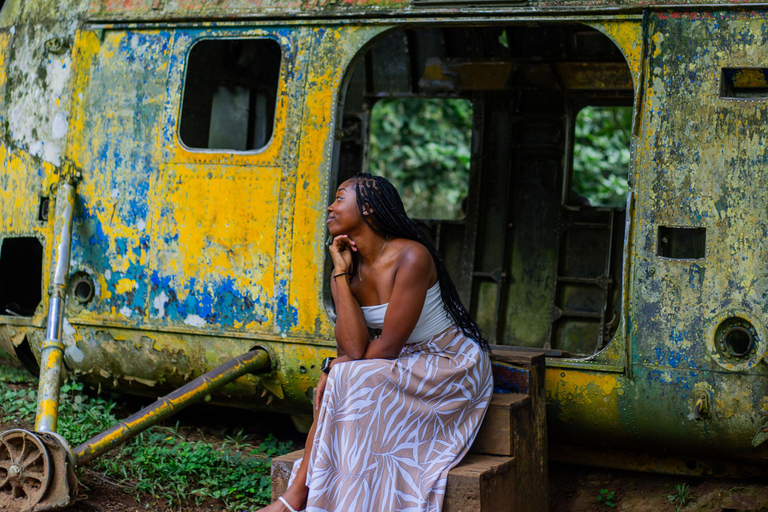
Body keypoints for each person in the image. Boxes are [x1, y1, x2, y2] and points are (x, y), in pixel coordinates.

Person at [259, 173, 493, 512]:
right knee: (342, 377)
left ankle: (296, 496)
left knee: (342, 378)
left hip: (449, 362)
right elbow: (352, 350)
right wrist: (339, 273)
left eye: (340, 198)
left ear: (367, 208)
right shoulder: (348, 268)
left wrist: (333, 369)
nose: (330, 206)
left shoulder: (412, 257)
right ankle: (302, 494)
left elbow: (385, 349)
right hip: (400, 363)